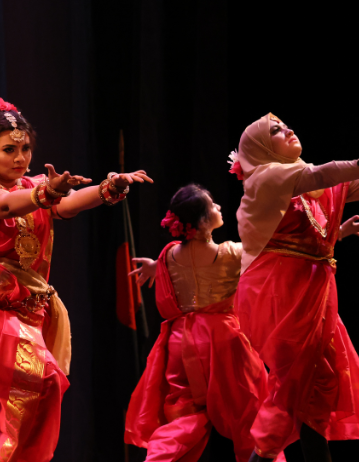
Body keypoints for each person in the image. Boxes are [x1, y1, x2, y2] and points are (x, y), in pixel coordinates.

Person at [0, 97, 153, 461]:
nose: (20, 157)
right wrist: (46, 193)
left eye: (25, 148)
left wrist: (108, 188)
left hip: (26, 312)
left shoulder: (37, 185)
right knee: (39, 381)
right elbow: (5, 206)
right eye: (9, 149)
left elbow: (68, 204)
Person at [231, 113, 359, 461]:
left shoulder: (302, 189)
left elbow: (337, 188)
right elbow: (326, 174)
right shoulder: (265, 178)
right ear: (258, 148)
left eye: (286, 125)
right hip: (280, 294)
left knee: (323, 379)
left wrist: (339, 233)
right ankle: (265, 452)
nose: (288, 129)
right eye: (275, 130)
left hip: (313, 292)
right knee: (294, 383)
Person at [126, 184, 283, 462]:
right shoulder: (232, 254)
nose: (219, 207)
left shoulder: (169, 255)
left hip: (181, 343)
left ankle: (159, 458)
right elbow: (279, 251)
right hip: (222, 341)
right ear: (200, 223)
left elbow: (168, 267)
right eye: (212, 206)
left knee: (183, 414)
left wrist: (153, 266)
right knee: (252, 410)